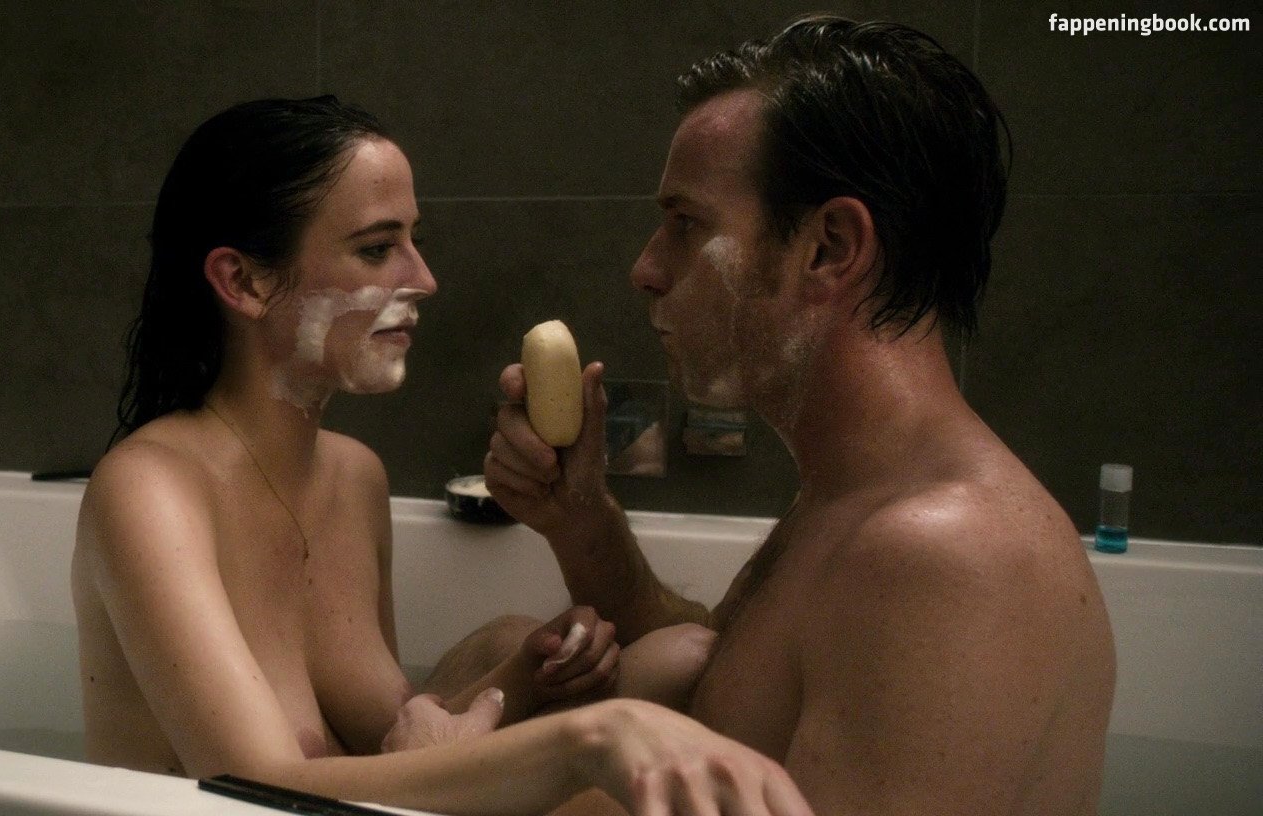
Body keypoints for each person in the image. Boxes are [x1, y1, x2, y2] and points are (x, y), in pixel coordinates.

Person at [72, 96, 812, 816]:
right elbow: (255, 786)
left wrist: (523, 679)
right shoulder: (150, 490)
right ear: (244, 281)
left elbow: (387, 751)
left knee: (671, 661)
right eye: (376, 248)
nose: (423, 280)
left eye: (415, 240)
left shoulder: (352, 476)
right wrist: (586, 740)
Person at [485, 17, 1117, 816]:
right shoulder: (853, 498)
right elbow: (729, 685)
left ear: (829, 248)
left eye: (686, 224)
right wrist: (582, 521)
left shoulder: (948, 557)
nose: (645, 268)